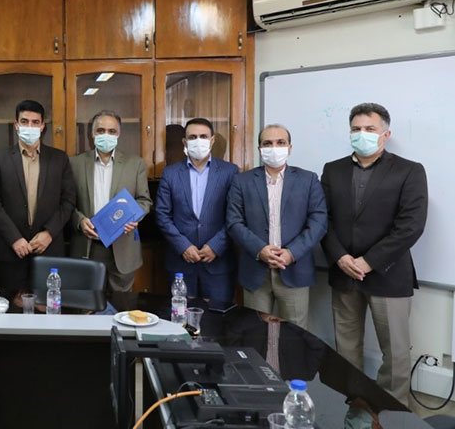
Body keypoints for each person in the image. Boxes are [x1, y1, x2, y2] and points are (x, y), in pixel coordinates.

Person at [321, 103, 427, 405]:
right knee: (346, 348)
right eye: (356, 129)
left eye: (370, 129)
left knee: (395, 352)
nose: (362, 134)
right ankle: (349, 405)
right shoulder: (332, 169)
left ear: (386, 134)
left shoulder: (410, 170)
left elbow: (411, 225)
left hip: (388, 274)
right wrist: (340, 257)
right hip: (343, 272)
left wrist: (369, 262)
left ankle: (391, 411)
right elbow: (323, 219)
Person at [226, 124, 327, 329]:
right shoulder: (242, 181)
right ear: (260, 149)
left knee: (295, 335)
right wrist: (260, 250)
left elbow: (319, 222)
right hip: (255, 272)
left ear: (290, 147)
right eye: (268, 143)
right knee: (255, 333)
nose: (274, 148)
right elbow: (234, 222)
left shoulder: (308, 180)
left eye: (280, 142)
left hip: (294, 270)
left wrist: (292, 253)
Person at [0, 99, 76, 288]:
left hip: (49, 249)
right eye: (24, 121)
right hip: (11, 250)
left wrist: (49, 233)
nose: (30, 127)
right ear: (16, 125)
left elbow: (68, 201)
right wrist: (14, 238)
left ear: (42, 126)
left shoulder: (59, 159)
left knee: (48, 303)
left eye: (35, 122)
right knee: (13, 304)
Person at [156, 118, 238, 302]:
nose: (198, 141)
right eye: (192, 137)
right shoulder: (170, 173)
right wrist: (183, 246)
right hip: (181, 263)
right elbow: (162, 215)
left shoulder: (230, 172)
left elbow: (235, 216)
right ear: (185, 142)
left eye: (203, 136)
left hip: (218, 263)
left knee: (218, 316)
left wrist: (216, 246)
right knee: (180, 316)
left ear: (212, 140)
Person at [69, 110, 151, 292]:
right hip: (87, 245)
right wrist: (79, 220)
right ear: (92, 134)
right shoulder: (75, 163)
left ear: (118, 134)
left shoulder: (135, 164)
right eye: (100, 130)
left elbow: (144, 201)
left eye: (112, 131)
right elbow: (67, 203)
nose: (106, 135)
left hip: (122, 246)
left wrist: (133, 218)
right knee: (86, 304)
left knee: (121, 305)